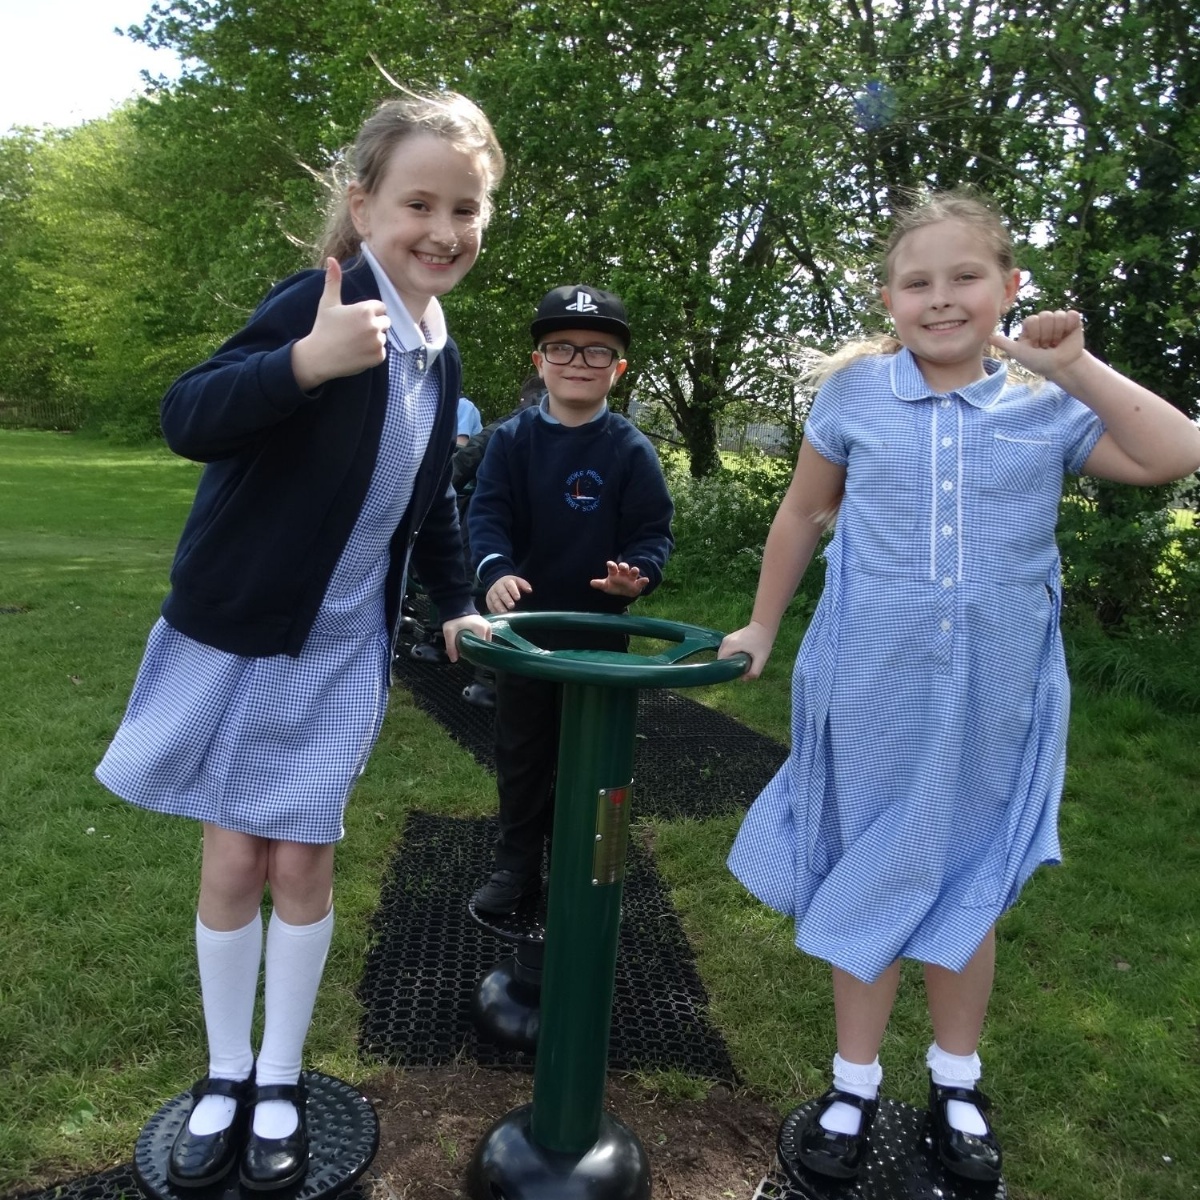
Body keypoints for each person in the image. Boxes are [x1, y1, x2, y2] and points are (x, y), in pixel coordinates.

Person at [717, 190, 1200, 1185]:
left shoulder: (1043, 408)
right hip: (868, 685)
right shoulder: (855, 399)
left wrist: (1070, 365)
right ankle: (852, 1087)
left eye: (965, 278)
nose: (942, 300)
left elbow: (1172, 453)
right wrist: (761, 623)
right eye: (917, 282)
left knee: (965, 885)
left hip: (995, 695)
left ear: (1008, 289)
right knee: (869, 872)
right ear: (889, 299)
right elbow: (804, 515)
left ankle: (955, 1082)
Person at [94, 91, 503, 1192]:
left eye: (466, 208)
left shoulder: (439, 351)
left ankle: (281, 1076)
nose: (442, 229)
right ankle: (224, 1075)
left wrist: (457, 601)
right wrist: (305, 364)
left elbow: (433, 509)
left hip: (339, 652)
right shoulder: (319, 305)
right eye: (418, 201)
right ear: (363, 204)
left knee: (305, 857)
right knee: (235, 856)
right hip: (247, 635)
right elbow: (190, 414)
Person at [468, 286, 674, 913]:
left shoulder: (629, 449)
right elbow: (487, 516)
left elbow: (651, 533)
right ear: (538, 362)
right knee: (522, 753)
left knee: (590, 758)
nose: (578, 362)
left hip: (597, 634)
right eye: (561, 348)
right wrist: (495, 570)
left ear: (619, 367)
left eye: (596, 351)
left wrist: (635, 576)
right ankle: (517, 865)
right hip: (525, 633)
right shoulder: (512, 442)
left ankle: (584, 867)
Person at [452, 375, 546, 707]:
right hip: (536, 531)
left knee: (489, 592)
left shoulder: (505, 427)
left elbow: (462, 463)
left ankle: (487, 677)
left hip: (493, 524)